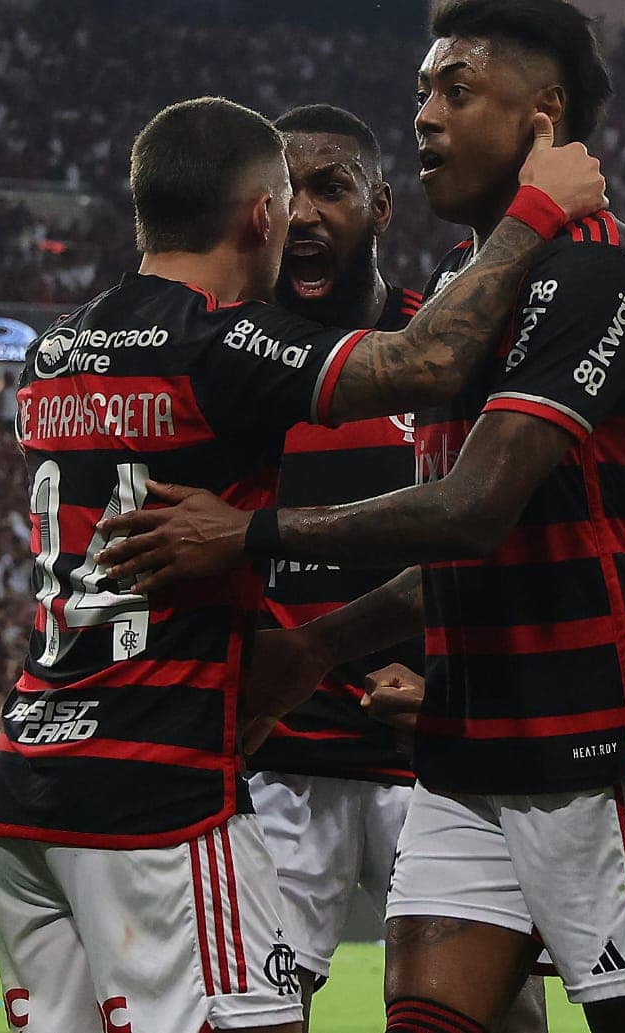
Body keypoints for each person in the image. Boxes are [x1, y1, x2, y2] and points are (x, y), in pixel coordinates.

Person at [95, 3, 625, 1030]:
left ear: (542, 115)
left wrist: (251, 534)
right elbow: (471, 556)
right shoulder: (462, 300)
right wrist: (321, 645)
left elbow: (472, 513)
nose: (427, 116)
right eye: (422, 93)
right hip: (466, 746)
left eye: (456, 92)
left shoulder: (593, 267)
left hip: (599, 736)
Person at [0, 94, 605, 1033]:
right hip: (163, 778)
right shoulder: (222, 343)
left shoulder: (56, 349)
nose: (302, 219)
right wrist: (537, 213)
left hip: (31, 777)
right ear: (261, 215)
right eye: (289, 196)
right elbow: (428, 363)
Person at [250, 103, 546, 1031]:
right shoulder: (231, 363)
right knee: (250, 1011)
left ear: (381, 208)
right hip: (281, 761)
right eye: (282, 192)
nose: (302, 213)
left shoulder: (451, 349)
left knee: (497, 1017)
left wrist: (451, 676)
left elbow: (504, 530)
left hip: (437, 749)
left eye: (328, 187)